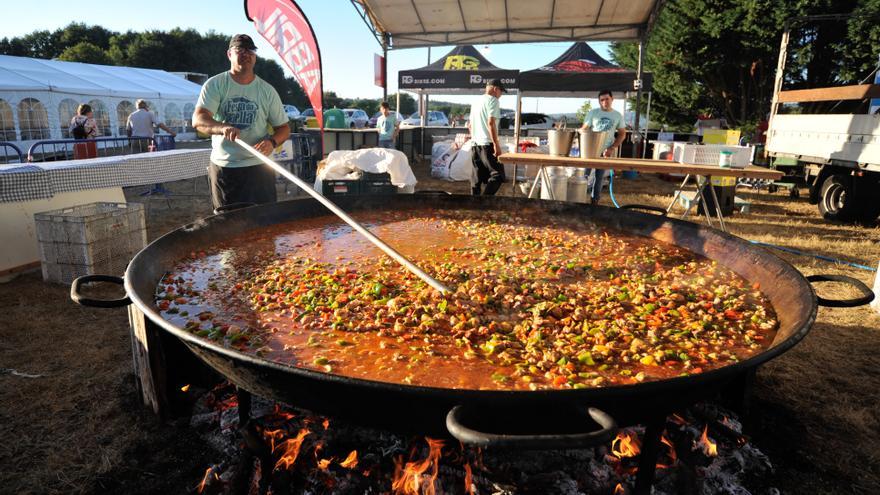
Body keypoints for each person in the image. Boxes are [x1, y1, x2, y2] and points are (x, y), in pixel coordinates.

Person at [192, 34, 290, 211]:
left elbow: (283, 128)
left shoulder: (267, 91)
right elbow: (199, 120)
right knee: (227, 226)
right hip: (226, 168)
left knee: (267, 222)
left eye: (251, 50)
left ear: (255, 56)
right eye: (240, 50)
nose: (246, 54)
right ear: (229, 54)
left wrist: (272, 142)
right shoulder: (215, 84)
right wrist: (222, 127)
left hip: (260, 167)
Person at [580, 89, 626, 205]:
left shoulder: (617, 115)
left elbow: (622, 134)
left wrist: (612, 148)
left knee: (599, 177)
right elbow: (584, 128)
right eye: (602, 100)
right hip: (590, 150)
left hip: (605, 151)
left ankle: (594, 202)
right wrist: (581, 131)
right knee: (583, 176)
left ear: (612, 99)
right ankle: (579, 199)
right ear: (599, 101)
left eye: (607, 99)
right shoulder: (593, 113)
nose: (605, 102)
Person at [467, 78, 506, 195]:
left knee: (477, 179)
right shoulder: (493, 100)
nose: (501, 94)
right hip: (487, 144)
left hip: (475, 144)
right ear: (495, 89)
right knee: (498, 175)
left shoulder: (476, 102)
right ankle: (485, 201)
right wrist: (496, 144)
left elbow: (469, 125)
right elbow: (491, 123)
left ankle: (475, 206)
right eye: (501, 91)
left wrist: (474, 138)